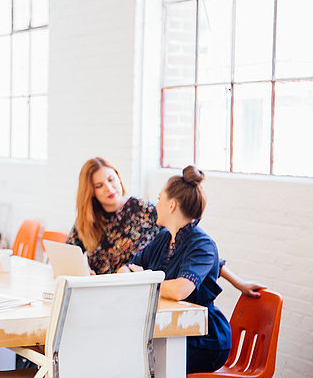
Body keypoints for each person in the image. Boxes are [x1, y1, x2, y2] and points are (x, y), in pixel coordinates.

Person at [67, 157, 264, 296]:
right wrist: (84, 271)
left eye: (111, 180)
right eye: (99, 185)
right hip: (101, 293)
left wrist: (239, 283)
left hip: (135, 294)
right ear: (90, 191)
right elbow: (69, 255)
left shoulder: (147, 210)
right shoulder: (87, 219)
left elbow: (198, 250)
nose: (109, 188)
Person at [119, 166, 231, 373]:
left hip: (202, 338)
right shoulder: (163, 237)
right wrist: (133, 275)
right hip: (167, 328)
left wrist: (142, 278)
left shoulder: (202, 244)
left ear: (171, 205)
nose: (156, 205)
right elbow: (125, 268)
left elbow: (180, 290)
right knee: (123, 348)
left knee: (131, 357)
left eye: (159, 199)